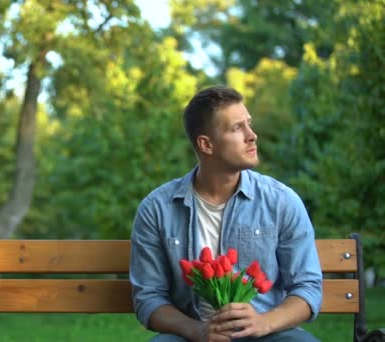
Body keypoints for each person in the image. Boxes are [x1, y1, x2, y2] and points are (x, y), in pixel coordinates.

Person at [129, 85, 322, 342]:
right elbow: (149, 297)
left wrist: (263, 323)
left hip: (266, 333)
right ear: (206, 144)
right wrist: (197, 331)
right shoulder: (157, 209)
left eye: (249, 124)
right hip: (192, 334)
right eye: (236, 128)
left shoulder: (281, 201)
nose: (252, 136)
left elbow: (307, 288)